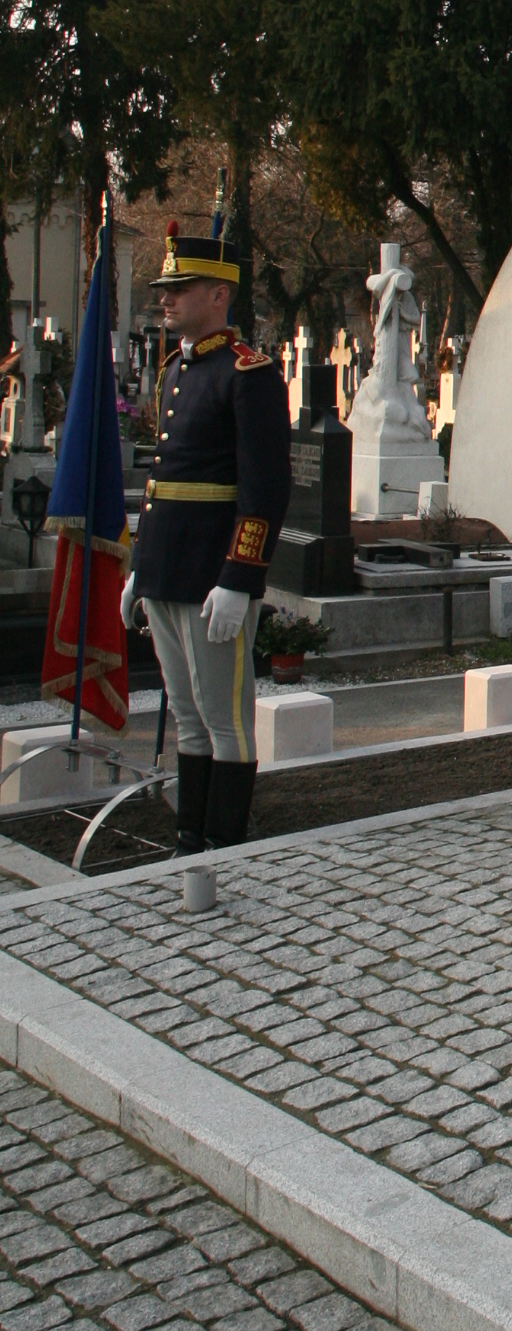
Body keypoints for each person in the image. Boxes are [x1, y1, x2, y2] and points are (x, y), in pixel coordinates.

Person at [118, 213, 292, 854]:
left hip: (213, 576)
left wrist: (240, 578)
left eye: (180, 288)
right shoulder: (173, 371)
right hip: (167, 569)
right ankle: (190, 834)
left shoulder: (248, 374)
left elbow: (264, 491)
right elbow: (164, 483)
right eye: (166, 289)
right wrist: (141, 566)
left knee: (225, 719)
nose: (166, 298)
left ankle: (225, 840)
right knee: (186, 714)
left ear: (219, 295)